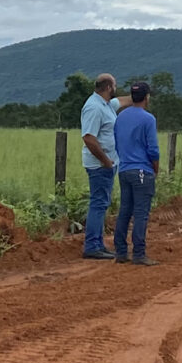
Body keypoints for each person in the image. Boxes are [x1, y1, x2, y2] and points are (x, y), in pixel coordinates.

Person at [113, 81, 160, 265]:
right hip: (142, 170)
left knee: (125, 211)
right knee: (141, 212)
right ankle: (139, 253)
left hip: (124, 169)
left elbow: (116, 142)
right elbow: (153, 149)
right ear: (147, 97)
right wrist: (155, 168)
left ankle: (121, 252)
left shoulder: (121, 117)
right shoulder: (148, 119)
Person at [78, 72, 120, 259]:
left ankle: (97, 243)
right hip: (100, 165)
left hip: (106, 164)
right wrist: (105, 161)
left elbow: (121, 102)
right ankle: (92, 246)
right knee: (98, 203)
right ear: (109, 87)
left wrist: (140, 95)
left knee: (101, 203)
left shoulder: (106, 105)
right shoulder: (94, 108)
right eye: (115, 85)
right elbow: (88, 137)